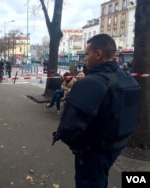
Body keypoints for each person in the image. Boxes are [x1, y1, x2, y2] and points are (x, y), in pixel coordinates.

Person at [52, 34, 141, 188]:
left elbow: (68, 128)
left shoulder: (92, 83)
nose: (85, 58)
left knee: (90, 182)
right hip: (116, 145)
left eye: (87, 54)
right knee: (100, 178)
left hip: (92, 150)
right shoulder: (127, 79)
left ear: (98, 54)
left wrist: (79, 146)